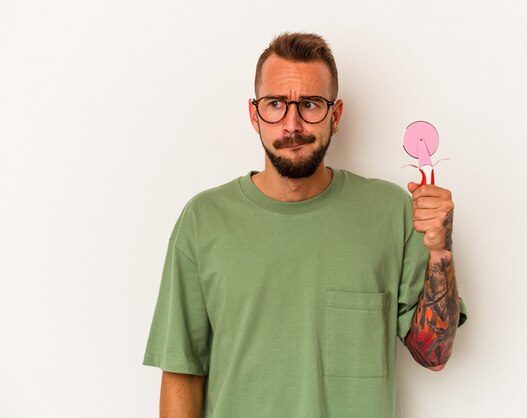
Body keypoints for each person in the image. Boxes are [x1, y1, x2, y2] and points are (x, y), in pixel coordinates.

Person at [143, 32, 467, 418]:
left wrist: (439, 253)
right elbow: (183, 371)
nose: (292, 124)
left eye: (310, 104)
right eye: (276, 104)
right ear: (254, 114)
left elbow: (434, 355)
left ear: (336, 114)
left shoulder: (390, 211)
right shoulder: (204, 219)